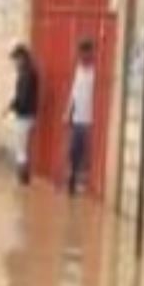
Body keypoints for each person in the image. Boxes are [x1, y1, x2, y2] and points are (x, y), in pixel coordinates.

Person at [65, 39, 97, 195]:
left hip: (90, 120)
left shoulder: (95, 72)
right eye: (80, 54)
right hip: (77, 118)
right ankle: (73, 179)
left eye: (85, 53)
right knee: (73, 151)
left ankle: (83, 183)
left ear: (90, 53)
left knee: (86, 153)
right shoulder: (78, 70)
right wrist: (67, 112)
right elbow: (73, 93)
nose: (82, 57)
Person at [8, 44, 40, 185]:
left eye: (16, 59)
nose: (15, 63)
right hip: (27, 114)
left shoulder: (27, 74)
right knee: (22, 146)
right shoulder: (28, 73)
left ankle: (22, 178)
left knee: (21, 147)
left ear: (22, 58)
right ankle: (23, 176)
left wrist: (13, 106)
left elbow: (23, 96)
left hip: (24, 115)